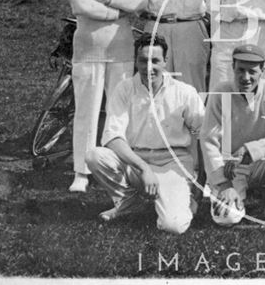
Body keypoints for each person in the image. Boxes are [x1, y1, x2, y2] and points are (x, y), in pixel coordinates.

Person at [86, 33, 205, 234]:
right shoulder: (124, 89)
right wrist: (143, 168)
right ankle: (128, 203)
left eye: (155, 61)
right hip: (136, 162)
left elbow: (206, 137)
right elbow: (112, 137)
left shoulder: (185, 92)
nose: (149, 67)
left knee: (173, 226)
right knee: (94, 155)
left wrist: (198, 192)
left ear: (166, 62)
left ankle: (175, 199)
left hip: (172, 165)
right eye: (143, 60)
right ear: (136, 62)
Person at [63, 0, 147, 192]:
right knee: (86, 111)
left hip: (121, 49)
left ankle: (121, 166)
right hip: (88, 49)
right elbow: (81, 4)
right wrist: (118, 14)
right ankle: (82, 172)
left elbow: (140, 0)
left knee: (120, 111)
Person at [200, 44, 265, 226]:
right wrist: (223, 185)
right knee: (227, 219)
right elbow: (208, 141)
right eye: (241, 70)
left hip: (261, 163)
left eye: (252, 71)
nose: (246, 78)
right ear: (233, 68)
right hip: (231, 168)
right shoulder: (220, 92)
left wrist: (248, 150)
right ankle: (239, 196)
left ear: (262, 70)